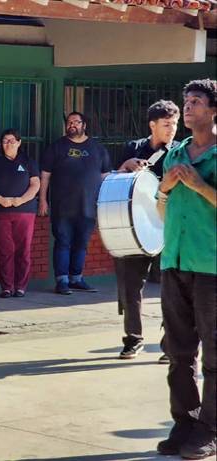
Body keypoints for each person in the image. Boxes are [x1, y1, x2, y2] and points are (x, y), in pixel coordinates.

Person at [155, 79, 216, 460]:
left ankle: (210, 429)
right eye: (186, 101)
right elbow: (163, 209)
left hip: (210, 265)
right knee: (178, 351)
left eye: (196, 101)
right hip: (174, 261)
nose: (188, 106)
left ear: (214, 110)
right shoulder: (175, 151)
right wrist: (165, 187)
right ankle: (185, 421)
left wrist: (198, 185)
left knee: (214, 353)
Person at [114, 100, 180, 360]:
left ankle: (170, 343)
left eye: (174, 124)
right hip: (137, 227)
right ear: (152, 125)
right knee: (131, 288)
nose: (172, 129)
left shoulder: (179, 152)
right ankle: (133, 339)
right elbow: (112, 182)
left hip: (168, 227)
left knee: (171, 290)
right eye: (166, 124)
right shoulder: (132, 149)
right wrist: (124, 167)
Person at [38, 112, 111, 295]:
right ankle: (62, 281)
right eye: (69, 122)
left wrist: (104, 204)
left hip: (88, 207)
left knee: (82, 243)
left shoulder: (98, 149)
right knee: (62, 242)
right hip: (62, 206)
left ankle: (76, 278)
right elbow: (45, 176)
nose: (72, 125)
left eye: (76, 122)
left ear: (84, 125)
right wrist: (43, 200)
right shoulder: (56, 147)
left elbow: (105, 178)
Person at [0, 129, 39, 298]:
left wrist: (21, 200)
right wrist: (0, 199)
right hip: (0, 211)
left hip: (25, 212)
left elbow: (35, 184)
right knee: (5, 250)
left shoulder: (28, 162)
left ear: (19, 142)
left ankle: (21, 287)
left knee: (23, 250)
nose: (9, 144)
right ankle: (7, 287)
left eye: (12, 140)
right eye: (5, 141)